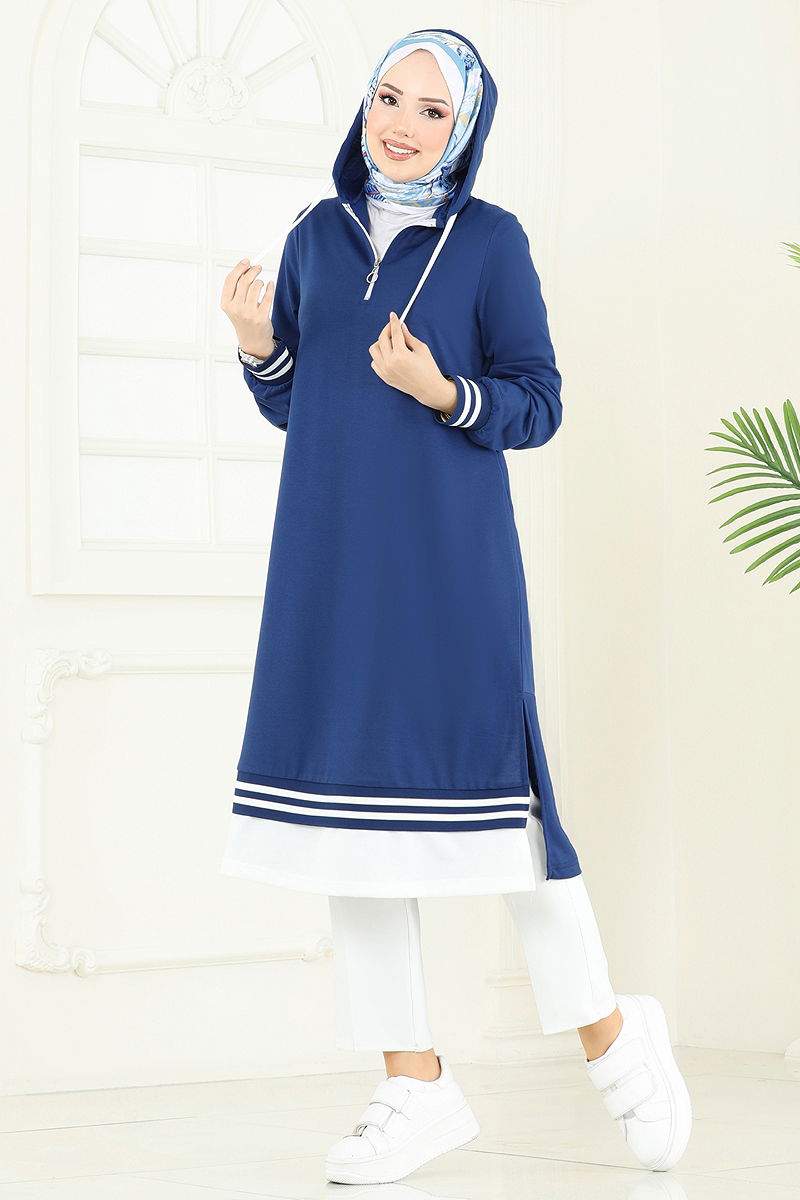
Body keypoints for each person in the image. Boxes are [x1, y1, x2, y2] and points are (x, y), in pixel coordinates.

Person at [219, 26, 692, 1187]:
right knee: (345, 823)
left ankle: (612, 1038)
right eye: (388, 98)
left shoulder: (489, 242)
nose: (400, 124)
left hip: (448, 571)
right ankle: (413, 1082)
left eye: (431, 110)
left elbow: (536, 402)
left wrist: (441, 389)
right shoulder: (314, 237)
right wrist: (256, 345)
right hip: (329, 572)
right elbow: (300, 407)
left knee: (501, 818)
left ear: (464, 129)